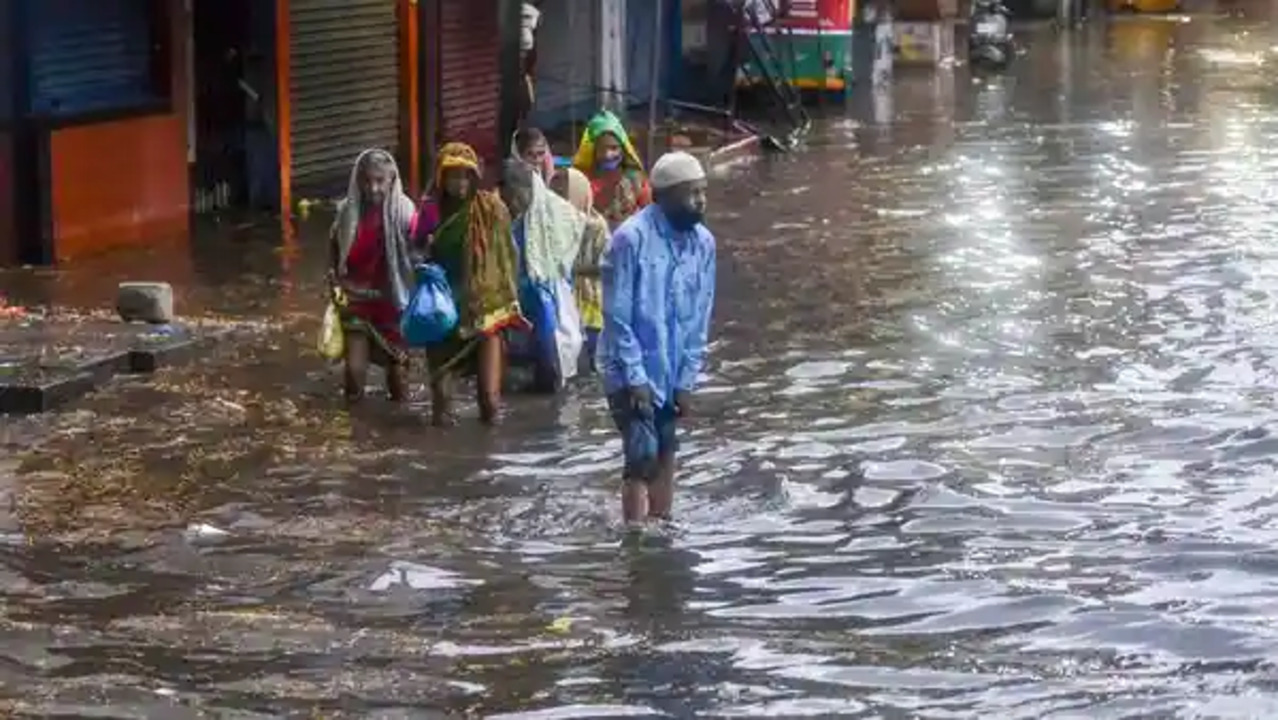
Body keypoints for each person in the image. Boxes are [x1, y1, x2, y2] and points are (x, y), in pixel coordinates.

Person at [599, 151, 716, 525]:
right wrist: (635, 378)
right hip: (626, 365)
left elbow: (700, 317)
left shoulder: (703, 244)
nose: (700, 201)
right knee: (641, 454)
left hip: (671, 367)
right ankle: (635, 538)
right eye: (690, 193)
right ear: (662, 197)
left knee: (666, 447)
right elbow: (617, 316)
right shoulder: (630, 239)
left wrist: (686, 380)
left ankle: (662, 526)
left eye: (703, 192)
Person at [415, 143, 525, 425]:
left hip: (483, 309)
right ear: (441, 178)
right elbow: (414, 255)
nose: (460, 183)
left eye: (466, 176)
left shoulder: (491, 209)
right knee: (442, 405)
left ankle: (488, 463)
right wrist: (424, 254)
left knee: (489, 402)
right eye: (453, 176)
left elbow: (506, 257)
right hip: (444, 310)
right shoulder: (429, 213)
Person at [329, 148, 418, 403]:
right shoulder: (347, 212)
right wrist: (334, 281)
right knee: (354, 377)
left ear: (392, 180)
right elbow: (334, 246)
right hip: (357, 302)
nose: (373, 188)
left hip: (393, 304)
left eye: (380, 181)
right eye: (367, 181)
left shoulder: (404, 212)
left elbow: (417, 249)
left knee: (398, 382)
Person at [501, 159, 585, 393]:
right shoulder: (515, 221)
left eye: (516, 195)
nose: (513, 202)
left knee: (551, 352)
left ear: (528, 190)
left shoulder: (557, 211)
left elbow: (568, 249)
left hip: (548, 293)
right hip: (523, 293)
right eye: (509, 196)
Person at [550, 167, 611, 372]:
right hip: (564, 296)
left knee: (592, 356)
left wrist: (572, 269)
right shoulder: (552, 223)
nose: (558, 201)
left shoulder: (596, 225)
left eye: (563, 195)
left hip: (590, 298)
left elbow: (607, 265)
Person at [571, 110, 652, 229]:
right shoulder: (581, 181)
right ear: (593, 151)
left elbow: (649, 215)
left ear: (623, 149)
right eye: (602, 149)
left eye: (614, 148)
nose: (608, 155)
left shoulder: (636, 179)